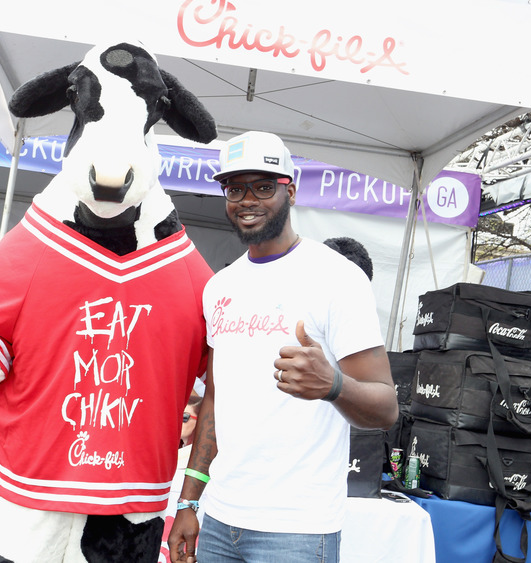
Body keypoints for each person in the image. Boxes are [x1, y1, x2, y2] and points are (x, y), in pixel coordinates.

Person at [167, 131, 398, 563]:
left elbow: (386, 409)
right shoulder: (219, 287)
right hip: (219, 520)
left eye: (263, 186)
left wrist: (333, 385)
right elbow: (215, 399)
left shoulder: (337, 278)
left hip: (297, 531)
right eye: (235, 188)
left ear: (291, 190)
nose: (247, 200)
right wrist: (189, 501)